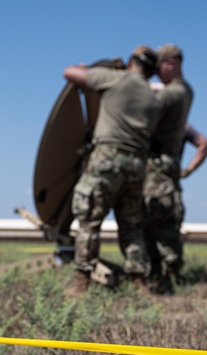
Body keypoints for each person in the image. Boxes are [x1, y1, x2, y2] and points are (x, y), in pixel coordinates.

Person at [62, 45, 160, 296]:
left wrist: (87, 70)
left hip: (107, 160)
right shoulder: (153, 98)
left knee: (89, 220)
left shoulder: (117, 79)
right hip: (137, 166)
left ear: (131, 62)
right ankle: (140, 283)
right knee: (131, 226)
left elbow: (69, 73)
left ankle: (80, 282)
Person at [143, 44, 207, 291]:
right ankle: (165, 275)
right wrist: (186, 171)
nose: (155, 74)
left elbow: (144, 111)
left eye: (158, 68)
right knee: (161, 225)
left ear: (170, 63)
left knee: (160, 226)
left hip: (158, 174)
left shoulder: (174, 94)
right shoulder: (182, 104)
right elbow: (204, 144)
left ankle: (168, 278)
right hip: (167, 175)